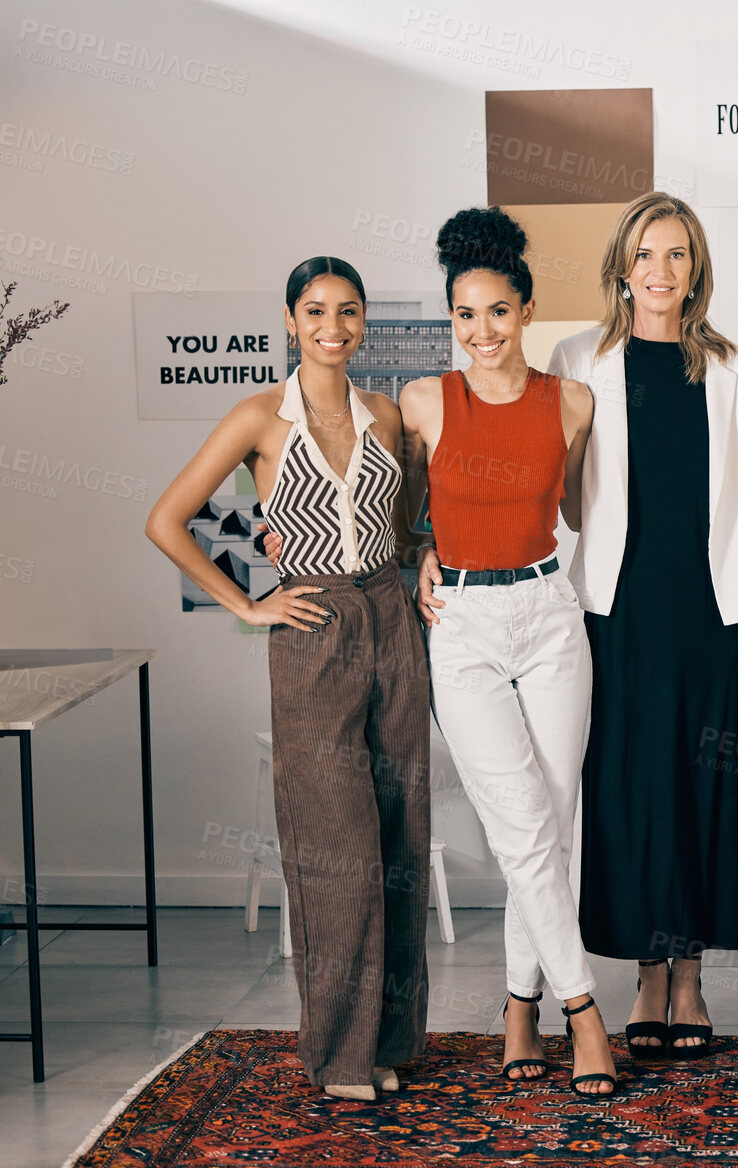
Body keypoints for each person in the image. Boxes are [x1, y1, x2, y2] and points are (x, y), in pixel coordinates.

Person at [146, 257, 429, 1101]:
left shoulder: (385, 415)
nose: (332, 326)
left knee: (399, 837)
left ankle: (386, 1043)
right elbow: (167, 520)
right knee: (333, 848)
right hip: (312, 633)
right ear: (290, 319)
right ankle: (339, 1055)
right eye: (315, 311)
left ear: (363, 321)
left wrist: (426, 569)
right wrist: (250, 602)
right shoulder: (257, 419)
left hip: (392, 624)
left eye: (347, 311)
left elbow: (409, 526)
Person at [547, 192, 738, 1058]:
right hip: (619, 605)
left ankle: (691, 977)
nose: (660, 272)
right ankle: (645, 973)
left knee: (703, 784)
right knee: (631, 786)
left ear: (696, 268)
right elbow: (539, 479)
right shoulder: (576, 359)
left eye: (676, 255)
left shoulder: (735, 367)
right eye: (645, 255)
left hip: (710, 609)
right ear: (621, 267)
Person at [405, 207, 616, 1096]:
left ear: (527, 313)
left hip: (547, 613)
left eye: (497, 312)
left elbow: (575, 514)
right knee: (522, 830)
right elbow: (397, 500)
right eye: (464, 315)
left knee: (553, 824)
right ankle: (582, 1011)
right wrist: (424, 550)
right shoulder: (423, 401)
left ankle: (517, 1005)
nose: (480, 332)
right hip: (462, 631)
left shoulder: (570, 402)